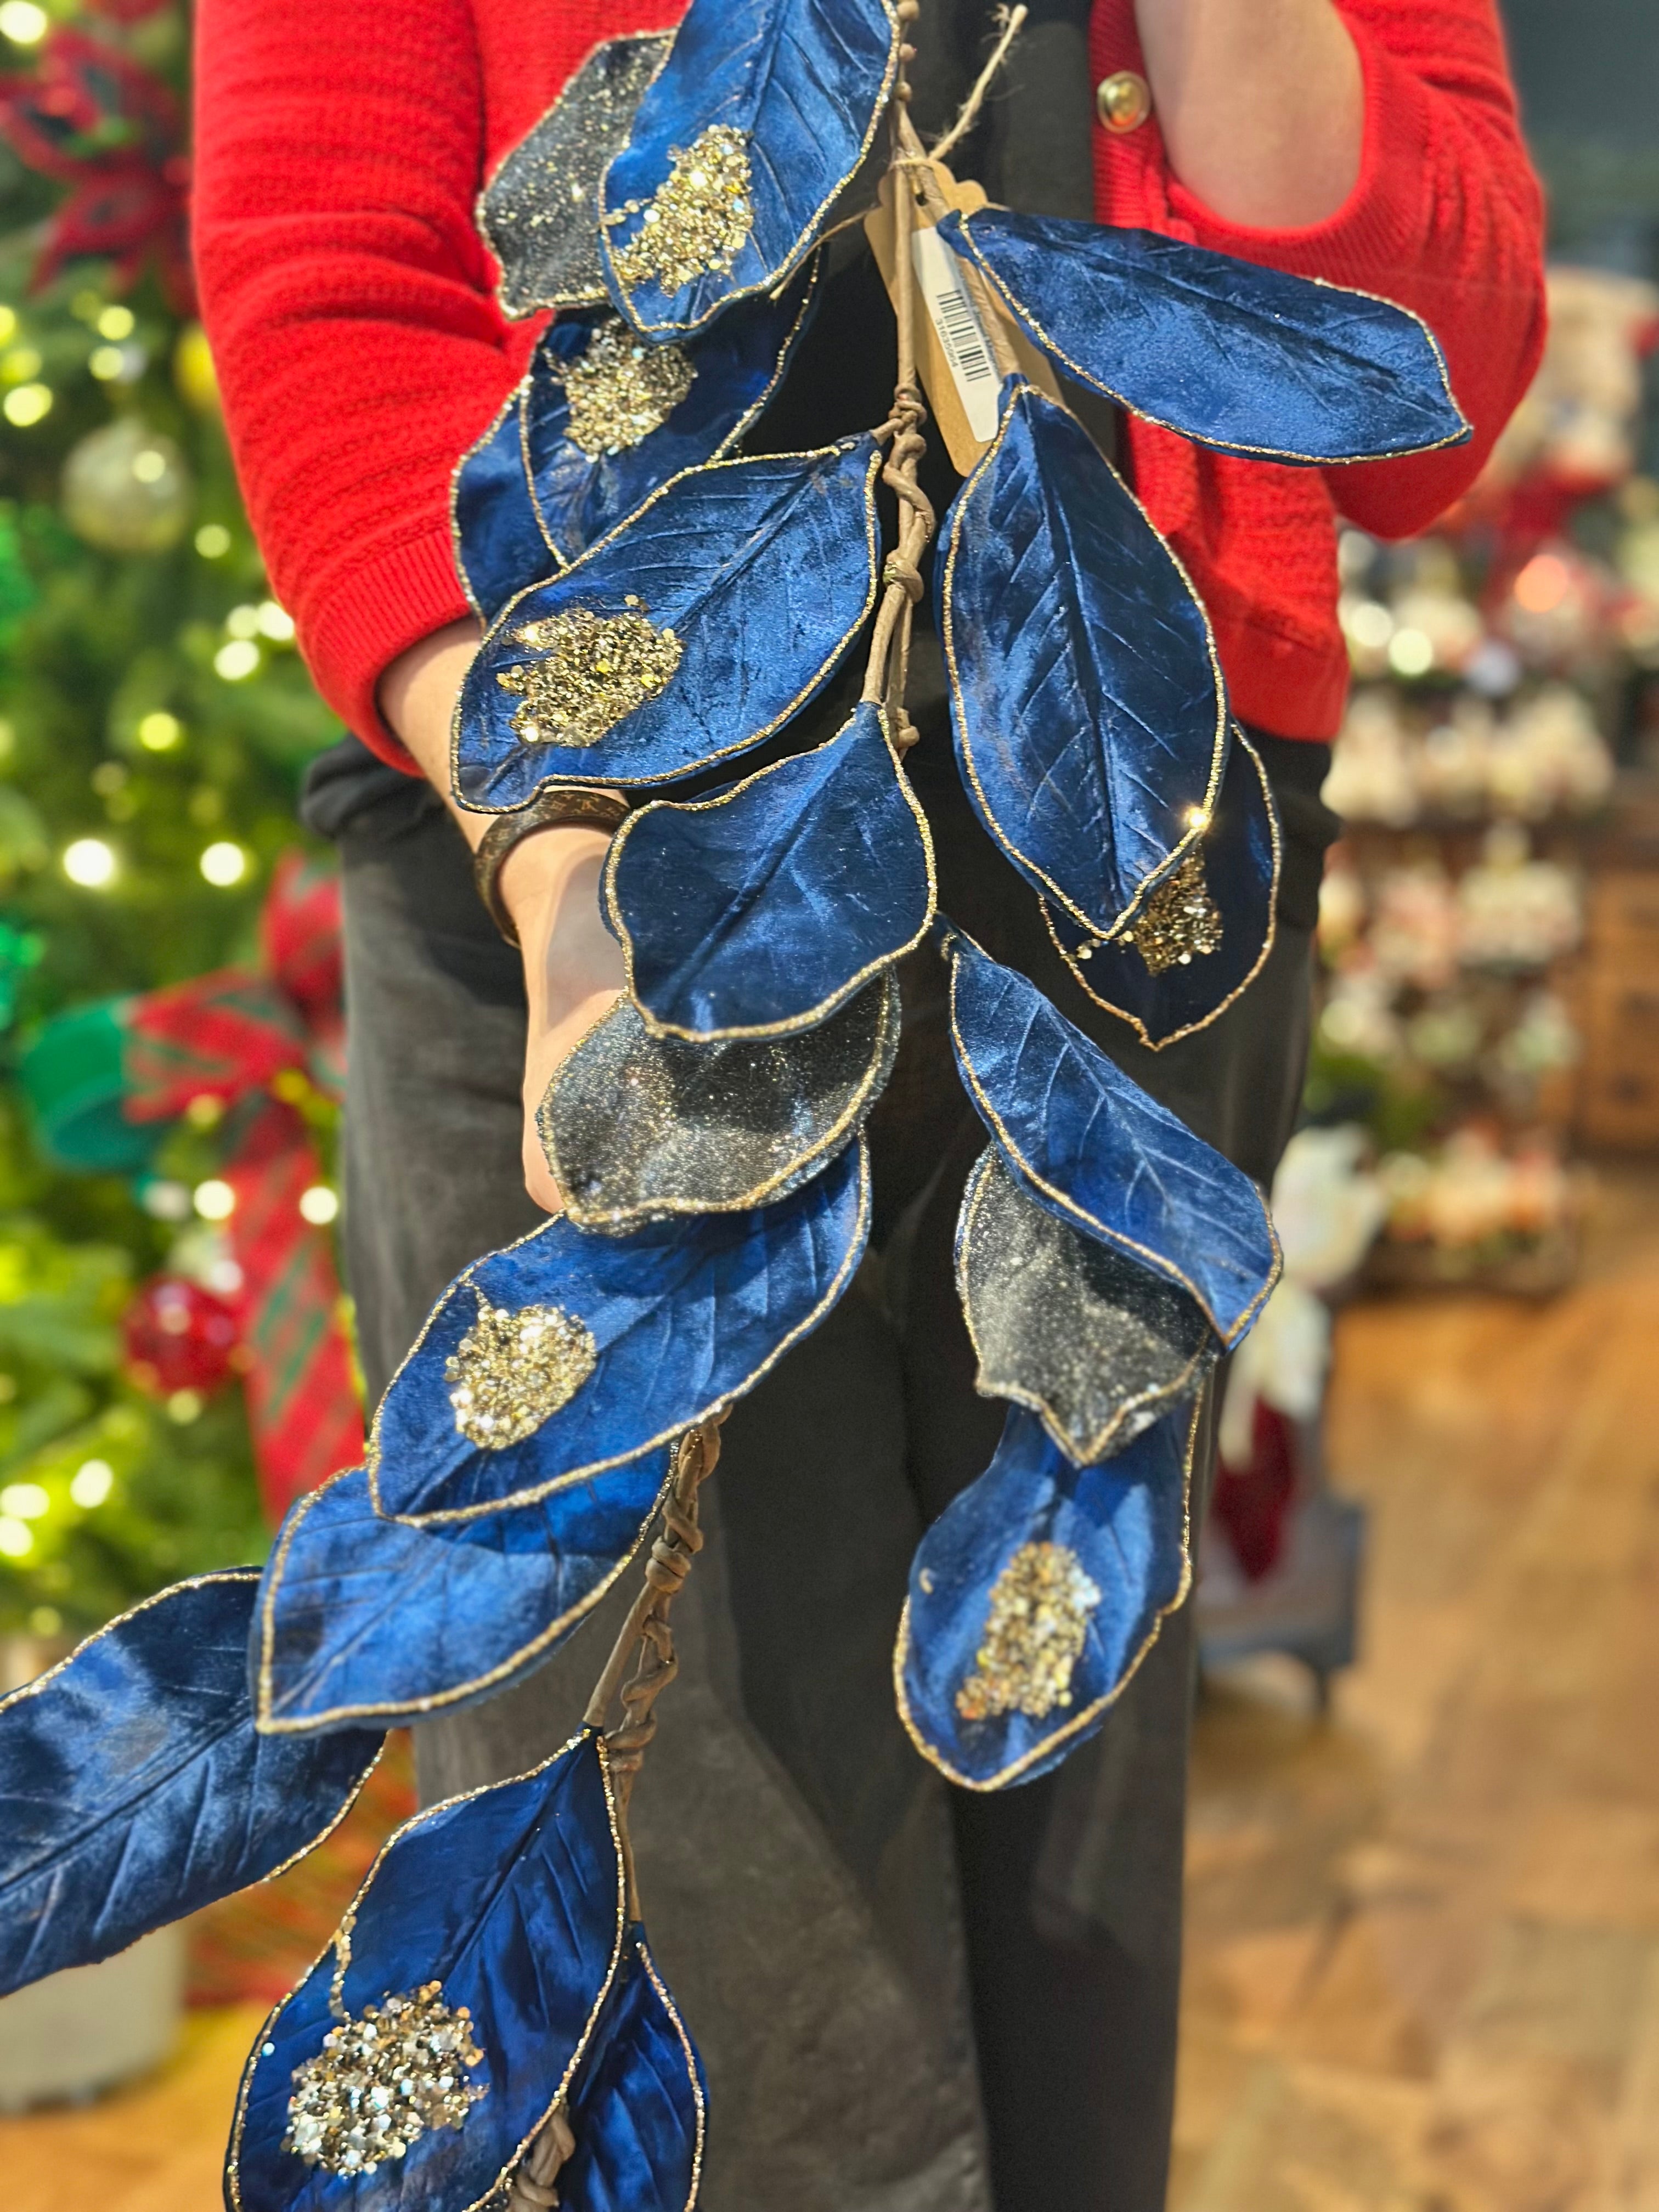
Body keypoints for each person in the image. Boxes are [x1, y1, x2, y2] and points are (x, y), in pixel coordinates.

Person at [193, 4, 1545, 2207]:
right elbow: (333, 274)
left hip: (1124, 866)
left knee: (1056, 1831)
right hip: (589, 871)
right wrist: (566, 856)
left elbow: (1415, 395)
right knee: (669, 1869)